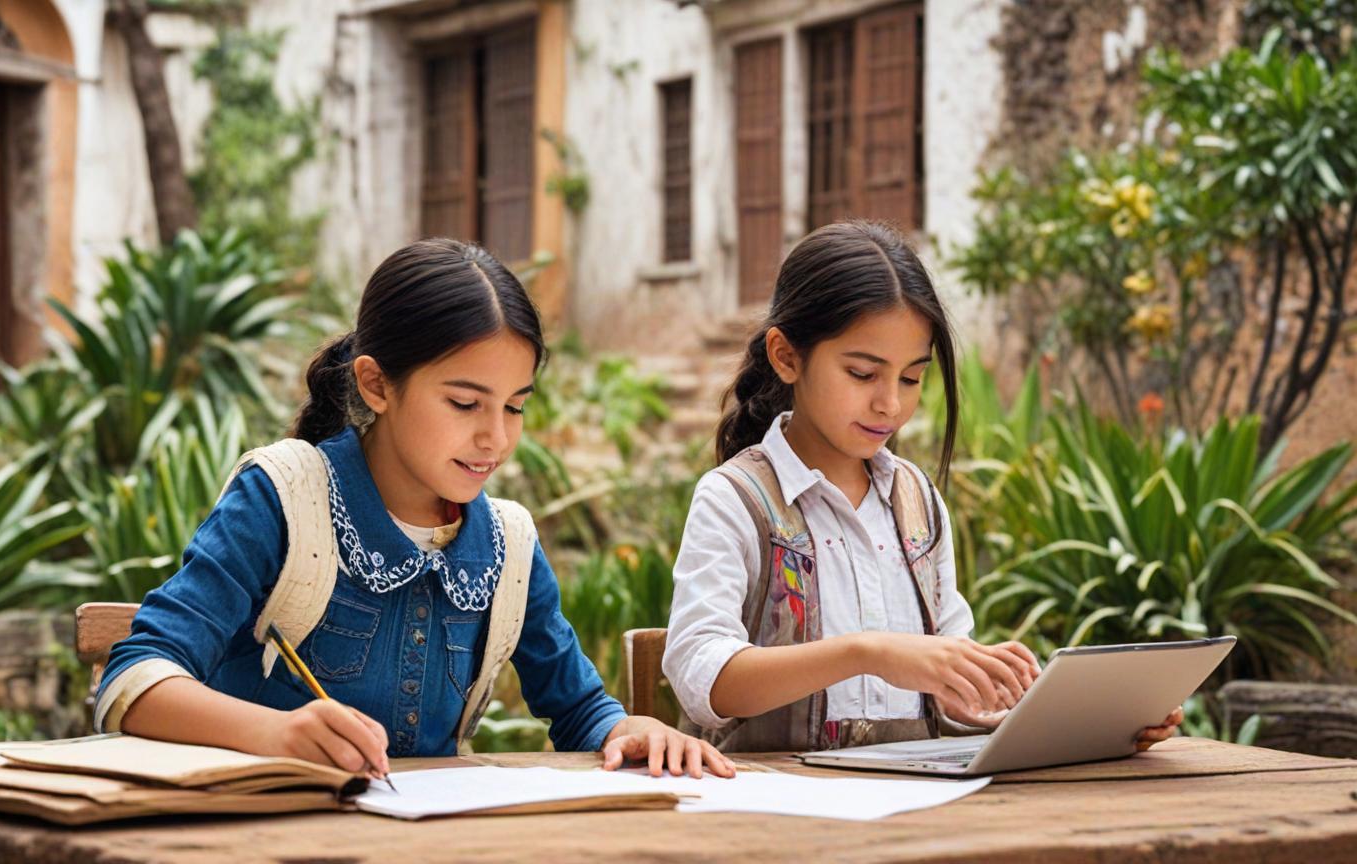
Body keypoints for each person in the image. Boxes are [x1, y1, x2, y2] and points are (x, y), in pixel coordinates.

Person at [97, 238, 733, 779]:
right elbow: (136, 675)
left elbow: (578, 709)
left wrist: (630, 728)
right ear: (376, 384)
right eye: (464, 403)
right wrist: (278, 735)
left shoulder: (508, 544)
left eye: (515, 405)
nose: (497, 437)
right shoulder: (284, 498)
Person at [663, 220, 1182, 752]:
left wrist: (1085, 717)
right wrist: (868, 652)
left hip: (915, 808)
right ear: (787, 356)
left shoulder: (916, 500)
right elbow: (703, 677)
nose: (891, 403)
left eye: (912, 378)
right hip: (775, 807)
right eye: (863, 374)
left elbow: (952, 698)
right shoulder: (736, 500)